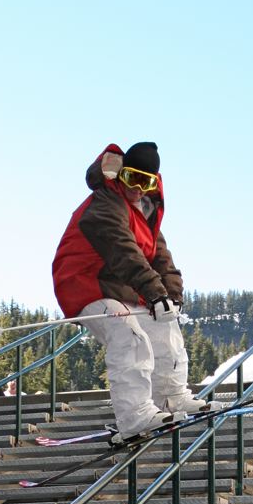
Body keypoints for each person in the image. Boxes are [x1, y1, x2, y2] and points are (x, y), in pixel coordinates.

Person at [53, 141, 217, 445]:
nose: (138, 189)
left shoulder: (146, 214)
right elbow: (124, 252)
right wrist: (153, 292)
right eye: (132, 179)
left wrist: (171, 297)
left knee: (163, 325)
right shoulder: (104, 205)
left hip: (119, 286)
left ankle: (171, 398)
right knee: (127, 333)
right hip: (84, 284)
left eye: (147, 182)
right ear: (120, 175)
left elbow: (161, 258)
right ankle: (133, 416)